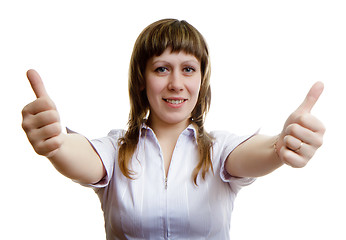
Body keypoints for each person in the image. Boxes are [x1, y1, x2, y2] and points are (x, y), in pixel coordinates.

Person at [21, 19, 325, 239]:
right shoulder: (115, 151)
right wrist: (57, 143)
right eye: (161, 68)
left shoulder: (220, 150)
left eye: (188, 69)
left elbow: (256, 153)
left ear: (201, 80)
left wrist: (283, 145)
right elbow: (84, 160)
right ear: (142, 79)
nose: (176, 83)